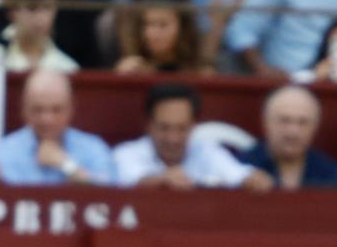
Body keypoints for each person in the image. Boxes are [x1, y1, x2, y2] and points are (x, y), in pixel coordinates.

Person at [111, 80, 269, 188]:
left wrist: (254, 180)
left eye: (181, 128)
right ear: (149, 125)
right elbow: (129, 180)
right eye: (164, 128)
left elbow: (240, 176)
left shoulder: (207, 151)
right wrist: (162, 181)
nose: (173, 138)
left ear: (193, 126)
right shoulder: (125, 154)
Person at [0, 69, 115, 185]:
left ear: (71, 109)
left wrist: (67, 165)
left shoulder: (93, 148)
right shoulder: (5, 152)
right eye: (38, 110)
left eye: (56, 110)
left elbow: (112, 194)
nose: (47, 119)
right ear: (24, 110)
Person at [240, 83, 337, 189]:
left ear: (315, 127)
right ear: (266, 123)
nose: (293, 132)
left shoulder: (328, 173)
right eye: (284, 120)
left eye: (303, 122)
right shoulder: (244, 167)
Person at [114, 0, 205, 72]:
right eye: (147, 24)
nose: (151, 33)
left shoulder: (199, 73)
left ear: (183, 28)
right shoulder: (131, 70)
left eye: (162, 25)